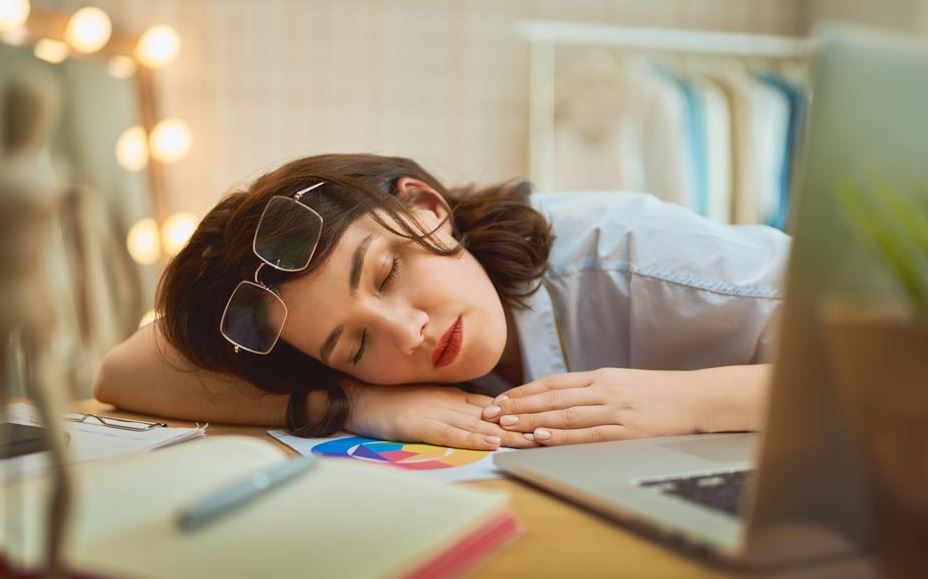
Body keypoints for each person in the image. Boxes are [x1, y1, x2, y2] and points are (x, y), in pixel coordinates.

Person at [95, 154, 788, 450]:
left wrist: (689, 402)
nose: (408, 333)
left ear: (426, 206)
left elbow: (863, 354)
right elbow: (124, 369)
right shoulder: (364, 378)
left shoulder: (634, 258)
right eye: (356, 345)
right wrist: (354, 402)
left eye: (386, 273)